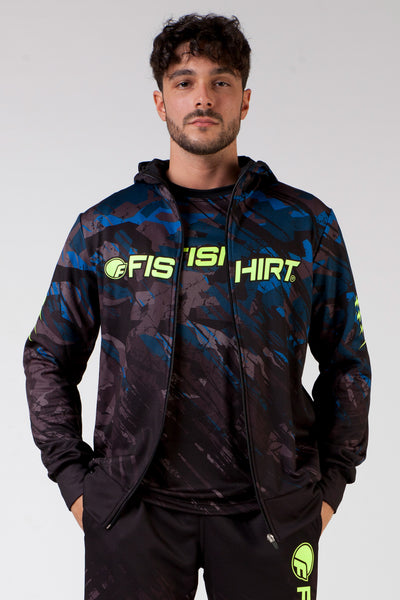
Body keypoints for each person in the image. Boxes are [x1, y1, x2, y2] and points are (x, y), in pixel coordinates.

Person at [24, 13, 371, 600]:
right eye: (184, 82)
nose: (203, 98)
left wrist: (330, 488)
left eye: (221, 81)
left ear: (245, 100)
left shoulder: (304, 225)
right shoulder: (108, 227)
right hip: (133, 513)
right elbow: (47, 357)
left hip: (272, 515)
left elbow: (347, 362)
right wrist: (78, 485)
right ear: (161, 102)